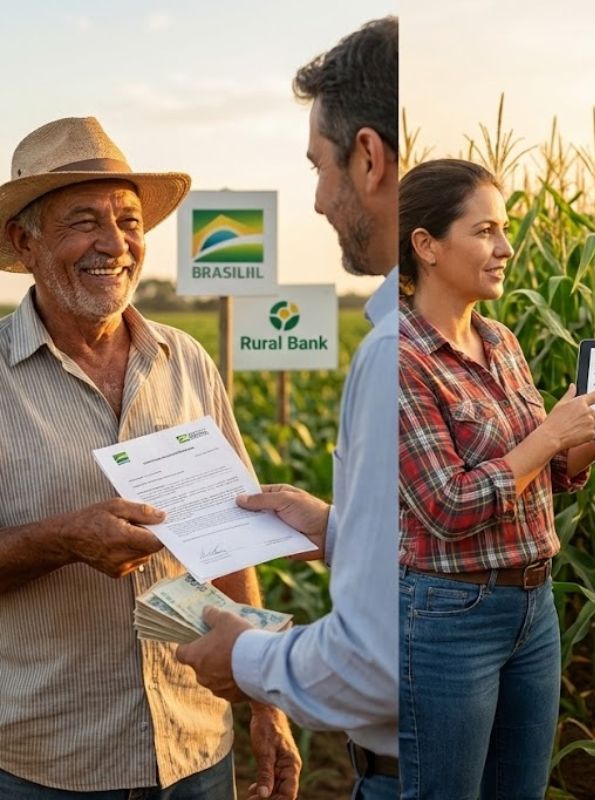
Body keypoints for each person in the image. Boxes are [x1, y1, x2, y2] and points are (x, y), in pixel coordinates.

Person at [0, 117, 298, 797]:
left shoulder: (185, 359)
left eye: (129, 221)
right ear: (26, 240)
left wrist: (264, 698)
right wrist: (61, 540)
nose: (114, 244)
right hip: (50, 761)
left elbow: (231, 541)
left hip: (195, 742)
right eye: (84, 221)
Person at [395, 158, 595, 798]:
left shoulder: (503, 342)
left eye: (505, 229)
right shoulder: (402, 359)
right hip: (448, 614)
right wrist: (550, 432)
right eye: (485, 230)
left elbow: (542, 473)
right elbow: (449, 506)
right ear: (426, 246)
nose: (506, 248)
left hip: (534, 606)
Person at [174, 17, 400, 797]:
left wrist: (248, 665)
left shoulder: (391, 356)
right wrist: (336, 527)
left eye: (319, 166)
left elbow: (375, 661)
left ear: (368, 157)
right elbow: (438, 559)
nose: (316, 200)